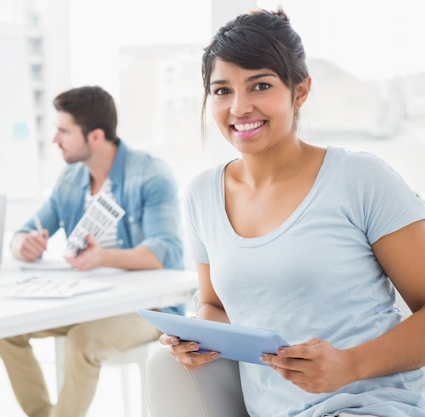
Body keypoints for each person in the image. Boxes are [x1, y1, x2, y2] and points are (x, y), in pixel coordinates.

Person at [146, 8, 425, 417]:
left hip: (374, 405)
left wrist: (351, 365)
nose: (240, 107)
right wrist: (192, 340)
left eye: (260, 85)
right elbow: (216, 306)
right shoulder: (202, 194)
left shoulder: (359, 178)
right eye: (222, 90)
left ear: (301, 91)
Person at [0, 85, 184, 417]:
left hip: (150, 309)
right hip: (86, 302)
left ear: (95, 136)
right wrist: (22, 244)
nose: (55, 140)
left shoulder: (151, 173)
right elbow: (27, 229)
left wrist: (103, 257)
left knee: (83, 341)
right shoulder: (70, 178)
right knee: (4, 329)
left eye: (63, 131)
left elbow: (164, 252)